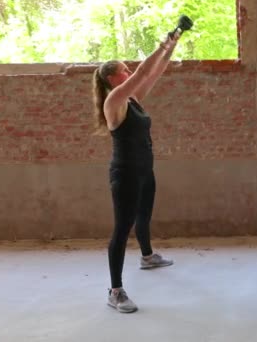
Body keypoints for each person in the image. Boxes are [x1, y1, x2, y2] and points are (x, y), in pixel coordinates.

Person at [92, 32, 181, 313]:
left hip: (145, 170)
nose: (129, 72)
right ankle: (115, 291)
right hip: (125, 174)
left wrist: (172, 47)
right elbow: (143, 71)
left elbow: (153, 74)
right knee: (122, 230)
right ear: (113, 79)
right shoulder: (114, 101)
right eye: (123, 71)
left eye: (128, 69)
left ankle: (147, 256)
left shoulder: (132, 100)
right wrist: (164, 42)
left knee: (144, 216)